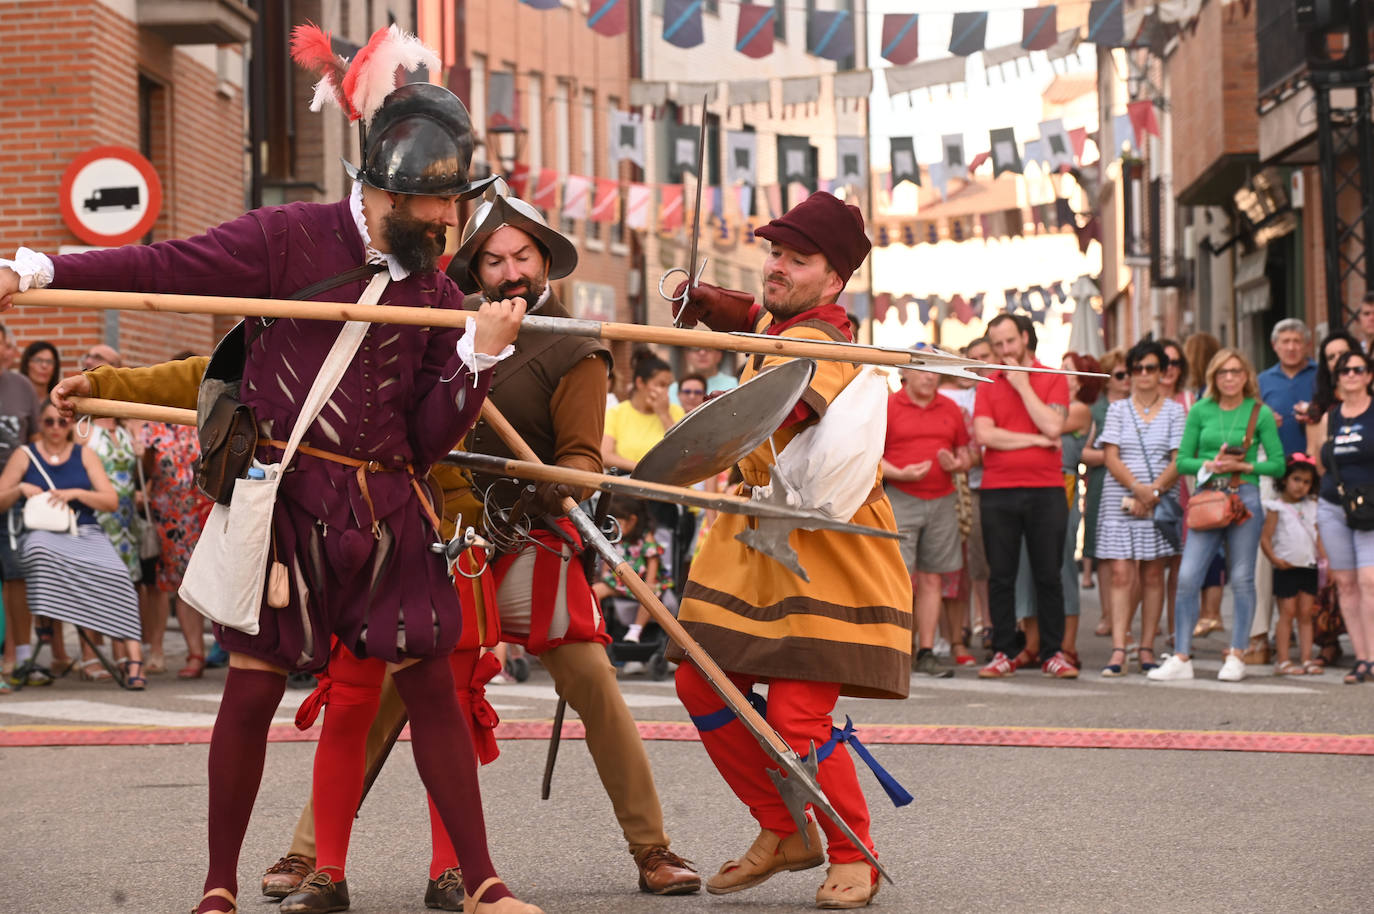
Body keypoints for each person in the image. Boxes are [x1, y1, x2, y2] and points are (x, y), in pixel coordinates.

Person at [9, 41, 539, 914]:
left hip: (388, 510)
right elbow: (161, 269)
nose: (451, 225)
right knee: (251, 690)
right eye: (441, 206)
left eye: (454, 206)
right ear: (391, 194)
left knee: (432, 687)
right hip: (286, 501)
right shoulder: (287, 238)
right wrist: (40, 269)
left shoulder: (443, 296)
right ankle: (217, 884)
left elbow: (428, 440)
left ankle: (482, 879)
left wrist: (477, 362)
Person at [669, 192, 913, 909]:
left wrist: (694, 444)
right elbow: (757, 317)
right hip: (753, 543)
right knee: (698, 683)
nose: (776, 267)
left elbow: (785, 401)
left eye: (796, 259)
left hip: (823, 548)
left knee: (798, 718)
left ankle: (853, 849)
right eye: (774, 253)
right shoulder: (794, 321)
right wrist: (707, 302)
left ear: (834, 280)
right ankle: (784, 829)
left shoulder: (825, 341)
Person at [1149, 349, 1284, 683]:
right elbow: (1182, 461)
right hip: (1208, 496)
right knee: (1188, 576)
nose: (1229, 377)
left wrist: (1245, 465)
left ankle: (1237, 653)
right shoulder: (1200, 410)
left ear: (1246, 376)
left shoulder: (1259, 413)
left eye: (1236, 371)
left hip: (1244, 495)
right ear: (1213, 376)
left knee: (1241, 577)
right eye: (1223, 372)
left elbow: (1279, 464)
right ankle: (1181, 655)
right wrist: (1208, 464)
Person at [0, 400, 145, 688]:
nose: (55, 427)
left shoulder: (85, 454)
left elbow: (110, 500)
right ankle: (51, 639)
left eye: (61, 422)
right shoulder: (24, 454)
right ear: (40, 424)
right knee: (40, 554)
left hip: (84, 531)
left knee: (118, 572)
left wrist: (75, 493)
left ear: (70, 425)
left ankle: (134, 658)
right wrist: (19, 489)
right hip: (41, 532)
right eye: (48, 422)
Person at [975, 313, 1076, 679]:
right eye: (997, 345)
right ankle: (1004, 650)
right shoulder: (987, 381)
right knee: (1000, 574)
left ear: (1025, 339)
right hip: (997, 489)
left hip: (1045, 488)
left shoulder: (1052, 377)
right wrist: (1035, 440)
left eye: (1009, 343)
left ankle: (1053, 652)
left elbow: (1054, 424)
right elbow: (985, 435)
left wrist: (1022, 386)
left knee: (1048, 573)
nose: (1004, 351)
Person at [1094, 341, 1183, 676]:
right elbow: (1110, 455)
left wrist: (1154, 492)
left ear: (1162, 372)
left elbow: (1179, 459)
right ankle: (1119, 649)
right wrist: (1139, 489)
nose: (1143, 375)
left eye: (1150, 368)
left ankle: (1146, 646)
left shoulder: (1175, 410)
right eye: (1137, 368)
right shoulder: (1118, 410)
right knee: (1120, 572)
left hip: (1158, 500)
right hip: (1122, 498)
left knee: (1152, 573)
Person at [882, 363, 972, 678]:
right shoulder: (889, 406)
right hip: (901, 498)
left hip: (942, 499)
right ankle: (897, 651)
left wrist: (958, 463)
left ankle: (926, 651)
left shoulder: (951, 407)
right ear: (905, 374)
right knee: (900, 579)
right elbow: (870, 456)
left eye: (935, 371)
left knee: (933, 579)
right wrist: (899, 473)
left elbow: (967, 454)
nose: (930, 376)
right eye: (923, 370)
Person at [138, 402, 215, 680]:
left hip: (204, 514)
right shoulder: (152, 425)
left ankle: (207, 652)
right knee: (171, 584)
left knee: (202, 582)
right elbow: (144, 472)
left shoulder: (206, 420)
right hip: (167, 517)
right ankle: (175, 652)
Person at [1311, 348, 1374, 684]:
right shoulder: (1329, 418)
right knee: (1346, 585)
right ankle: (1362, 659)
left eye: (1358, 369)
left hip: (1370, 509)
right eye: (1345, 371)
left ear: (1369, 375)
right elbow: (1320, 463)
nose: (1351, 375)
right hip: (1333, 505)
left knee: (1369, 581)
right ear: (1337, 379)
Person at [0, 343, 41, 685]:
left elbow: (36, 440)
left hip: (14, 496)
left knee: (15, 576)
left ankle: (16, 656)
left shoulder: (22, 387)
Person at [1260, 455, 1323, 675]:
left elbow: (1319, 535)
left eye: (1306, 482)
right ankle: (1284, 660)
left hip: (1309, 566)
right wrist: (1274, 560)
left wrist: (1325, 561)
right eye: (1296, 479)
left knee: (1306, 614)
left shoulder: (1313, 506)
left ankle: (1307, 659)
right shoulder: (1275, 507)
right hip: (1286, 566)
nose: (1301, 486)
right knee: (1287, 613)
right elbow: (1265, 538)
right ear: (1285, 479)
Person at [1081, 349, 1129, 635]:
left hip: (1132, 483)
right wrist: (1112, 458)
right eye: (1120, 375)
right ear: (1109, 379)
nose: (1127, 380)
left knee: (1131, 555)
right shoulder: (1096, 411)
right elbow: (1084, 453)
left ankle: (1124, 616)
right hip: (1102, 484)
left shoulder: (1138, 406)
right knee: (1104, 552)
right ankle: (1107, 614)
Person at [603, 349, 683, 471]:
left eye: (668, 386)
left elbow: (682, 453)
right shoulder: (616, 413)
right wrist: (644, 470)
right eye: (661, 385)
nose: (665, 392)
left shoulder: (675, 411)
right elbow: (605, 455)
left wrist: (664, 414)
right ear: (640, 382)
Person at [668, 346, 737, 406]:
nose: (702, 353)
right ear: (687, 355)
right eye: (696, 349)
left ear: (719, 354)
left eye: (708, 349)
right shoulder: (674, 389)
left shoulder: (736, 385)